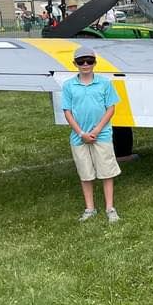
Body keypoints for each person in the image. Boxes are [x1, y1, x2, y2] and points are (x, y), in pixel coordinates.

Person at [61, 46, 122, 223]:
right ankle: (90, 208)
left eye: (89, 61)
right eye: (81, 61)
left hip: (101, 135)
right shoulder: (69, 85)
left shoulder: (104, 83)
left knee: (106, 171)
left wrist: (96, 130)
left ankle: (110, 208)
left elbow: (110, 108)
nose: (85, 64)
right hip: (78, 137)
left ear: (95, 63)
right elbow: (67, 111)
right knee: (85, 173)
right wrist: (81, 133)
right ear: (75, 64)